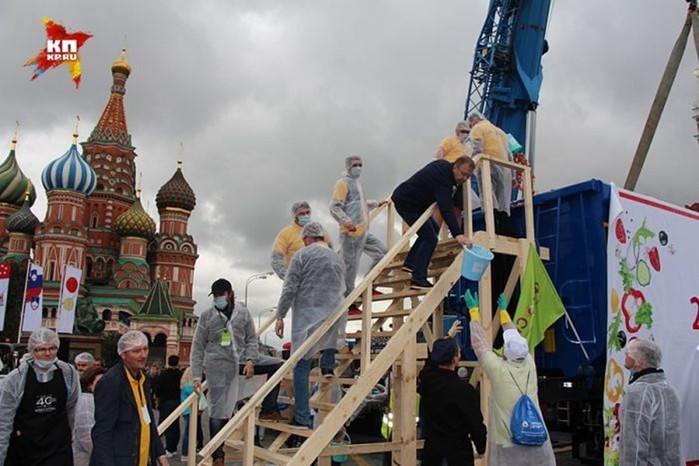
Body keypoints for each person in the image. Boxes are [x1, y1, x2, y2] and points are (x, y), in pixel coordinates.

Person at [466, 291, 555, 465]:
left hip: (507, 444)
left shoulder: (498, 369)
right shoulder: (530, 364)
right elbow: (517, 341)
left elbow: (479, 344)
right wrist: (504, 313)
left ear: (505, 352)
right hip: (537, 443)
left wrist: (474, 312)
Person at [275, 221, 346, 429]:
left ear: (308, 238)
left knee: (301, 365)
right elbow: (344, 286)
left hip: (306, 315)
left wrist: (280, 315)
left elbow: (290, 288)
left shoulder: (302, 256)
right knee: (328, 342)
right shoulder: (337, 258)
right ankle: (328, 363)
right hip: (333, 312)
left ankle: (302, 417)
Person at [391, 156, 475, 289]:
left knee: (433, 228)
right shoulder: (442, 175)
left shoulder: (448, 173)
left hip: (416, 203)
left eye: (468, 176)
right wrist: (457, 234)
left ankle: (411, 263)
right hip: (406, 202)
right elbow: (446, 207)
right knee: (430, 238)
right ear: (455, 167)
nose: (464, 179)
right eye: (463, 174)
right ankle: (418, 279)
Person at [0, 327, 80, 465]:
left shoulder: (68, 373)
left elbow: (72, 409)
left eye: (52, 348)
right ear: (32, 351)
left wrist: (70, 438)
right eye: (41, 349)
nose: (48, 353)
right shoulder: (16, 378)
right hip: (24, 450)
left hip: (57, 448)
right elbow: (4, 420)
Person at [91, 330, 169, 466]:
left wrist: (160, 454)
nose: (143, 355)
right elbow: (102, 432)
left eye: (145, 349)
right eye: (136, 351)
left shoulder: (143, 380)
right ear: (123, 355)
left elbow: (148, 421)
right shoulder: (111, 382)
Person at [190, 278, 242, 466]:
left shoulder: (241, 312)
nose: (218, 298)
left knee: (274, 366)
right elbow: (197, 347)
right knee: (216, 411)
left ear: (229, 293)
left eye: (221, 294)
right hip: (217, 368)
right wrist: (196, 375)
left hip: (240, 365)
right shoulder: (207, 316)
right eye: (215, 296)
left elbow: (251, 338)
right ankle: (218, 454)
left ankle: (268, 410)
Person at [330, 155, 388, 313]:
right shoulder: (342, 183)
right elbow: (335, 207)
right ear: (348, 166)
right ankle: (350, 303)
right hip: (350, 233)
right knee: (350, 269)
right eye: (355, 165)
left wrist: (377, 203)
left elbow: (359, 205)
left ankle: (368, 286)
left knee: (382, 253)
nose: (358, 168)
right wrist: (345, 220)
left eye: (360, 165)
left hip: (363, 231)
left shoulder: (358, 184)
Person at [418, 337, 487, 465]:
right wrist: (481, 447)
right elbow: (476, 425)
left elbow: (430, 364)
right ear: (455, 359)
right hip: (457, 453)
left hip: (432, 452)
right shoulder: (463, 390)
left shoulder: (427, 379)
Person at [619, 339, 681, 465]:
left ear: (640, 360)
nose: (625, 356)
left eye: (628, 353)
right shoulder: (670, 390)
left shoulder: (637, 392)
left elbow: (634, 445)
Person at [229, 294, 285, 421]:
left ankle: (272, 409)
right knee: (280, 366)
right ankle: (268, 409)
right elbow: (251, 345)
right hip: (242, 361)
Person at [271, 201, 333, 280]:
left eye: (308, 212)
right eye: (302, 214)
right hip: (298, 283)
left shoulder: (321, 231)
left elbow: (331, 254)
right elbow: (276, 260)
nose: (306, 215)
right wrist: (290, 278)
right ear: (295, 216)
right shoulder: (285, 234)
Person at [73, 366, 107, 466]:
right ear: (89, 385)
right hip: (85, 459)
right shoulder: (86, 402)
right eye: (100, 383)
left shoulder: (100, 401)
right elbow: (87, 436)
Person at [155, 355, 183, 458]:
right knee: (175, 425)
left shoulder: (163, 374)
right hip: (178, 401)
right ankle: (173, 447)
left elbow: (158, 389)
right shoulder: (180, 374)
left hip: (166, 402)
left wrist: (157, 401)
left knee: (167, 425)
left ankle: (169, 448)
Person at [179, 367, 204, 463]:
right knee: (189, 432)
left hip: (186, 410)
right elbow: (200, 394)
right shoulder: (190, 387)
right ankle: (185, 452)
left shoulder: (184, 385)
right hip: (191, 411)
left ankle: (189, 451)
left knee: (190, 431)